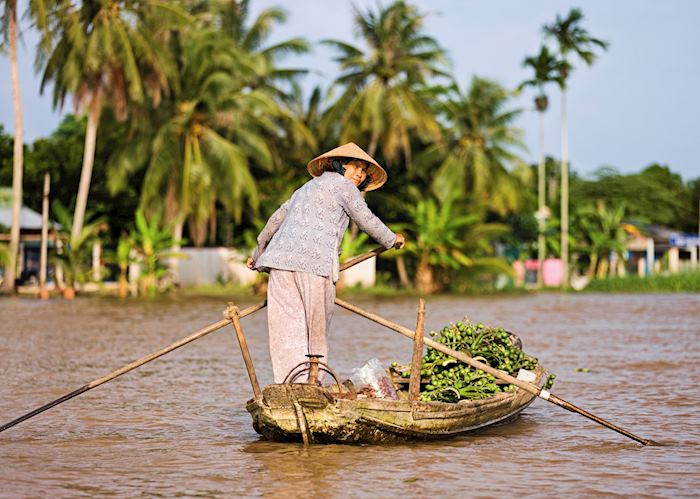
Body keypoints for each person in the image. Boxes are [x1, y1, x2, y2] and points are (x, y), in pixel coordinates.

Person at [247, 142, 405, 383]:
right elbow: (366, 220)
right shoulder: (345, 188)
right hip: (314, 265)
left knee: (287, 327)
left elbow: (275, 219)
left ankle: (289, 384)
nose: (359, 174)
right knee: (315, 326)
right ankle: (311, 382)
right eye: (355, 167)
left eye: (363, 171)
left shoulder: (305, 188)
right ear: (340, 166)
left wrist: (258, 255)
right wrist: (392, 239)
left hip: (279, 264)